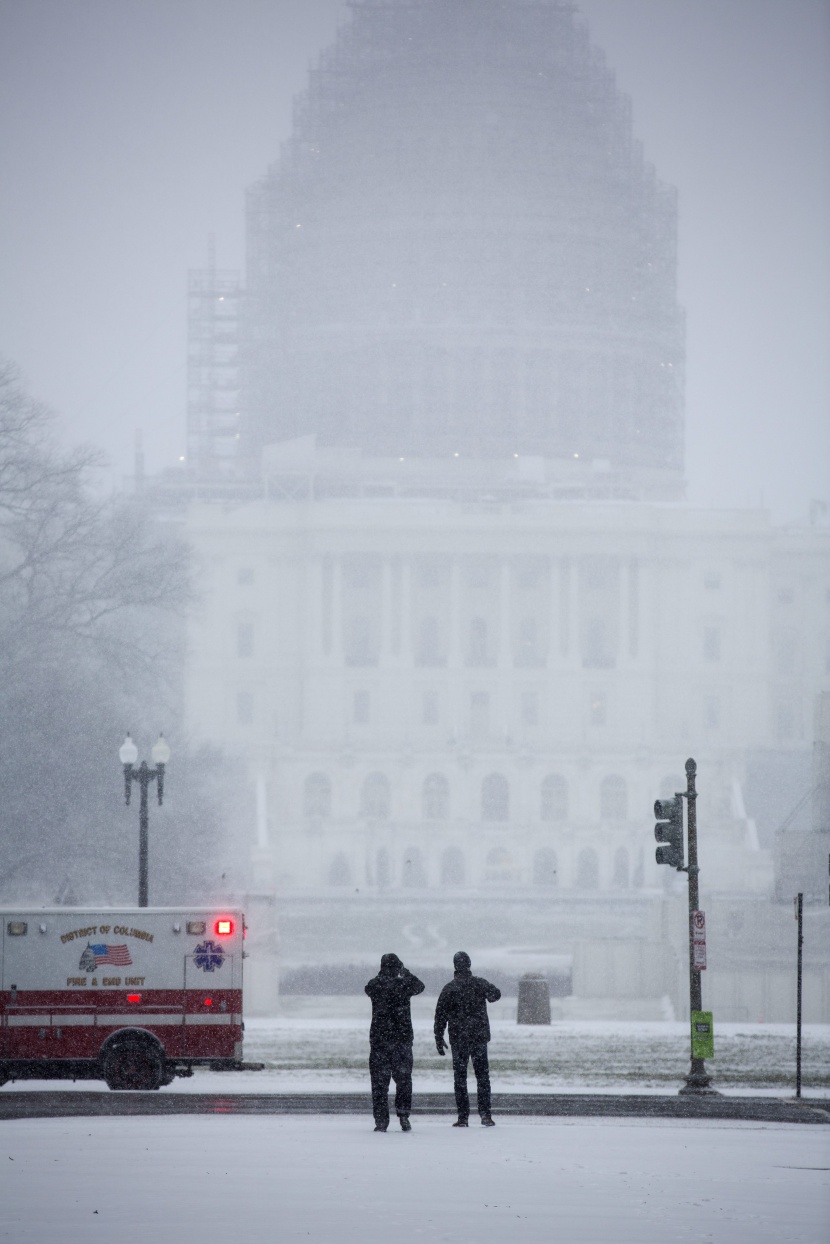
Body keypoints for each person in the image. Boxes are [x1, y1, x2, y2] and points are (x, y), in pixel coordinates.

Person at [434, 950, 501, 1127]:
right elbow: (495, 995)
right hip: (478, 1037)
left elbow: (440, 1015)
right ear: (469, 964)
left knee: (460, 1079)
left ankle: (463, 1117)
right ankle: (485, 1115)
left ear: (455, 966)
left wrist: (439, 1037)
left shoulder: (449, 988)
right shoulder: (479, 984)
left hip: (458, 1039)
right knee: (482, 1078)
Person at [364, 953, 425, 1132]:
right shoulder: (404, 985)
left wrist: (383, 974)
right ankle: (404, 1115)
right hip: (402, 1039)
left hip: (379, 1041)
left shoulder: (376, 985)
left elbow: (368, 988)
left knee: (379, 1083)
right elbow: (420, 986)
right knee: (404, 1080)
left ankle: (381, 1121)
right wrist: (405, 972)